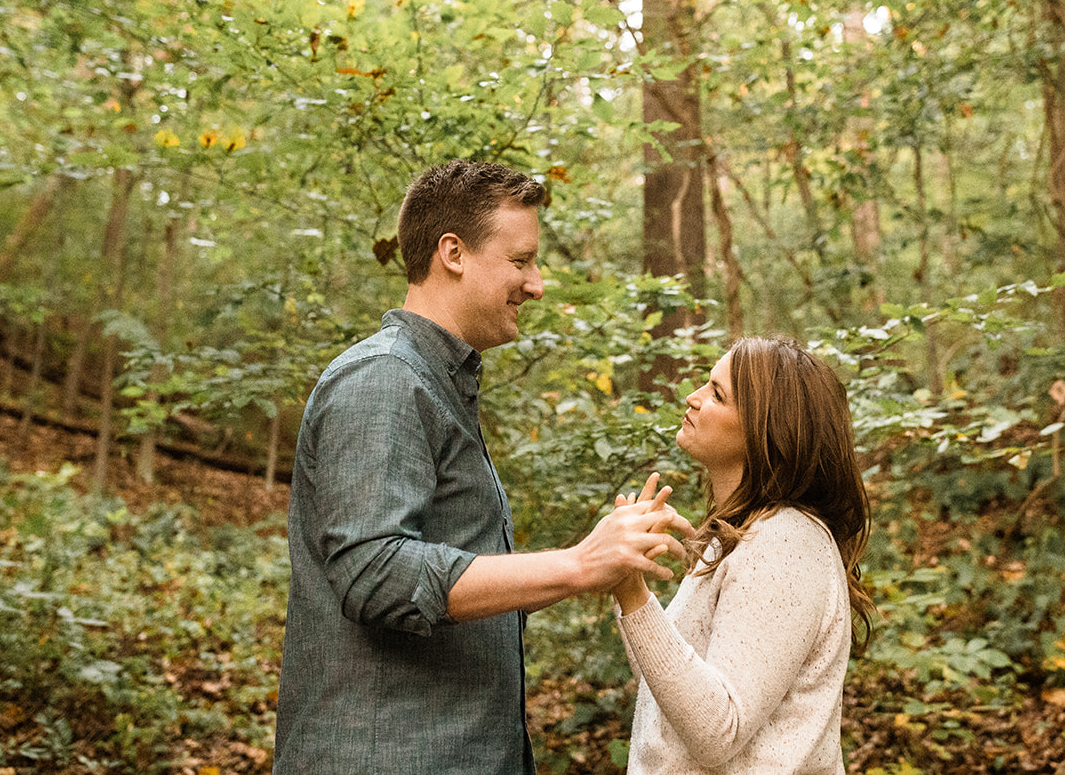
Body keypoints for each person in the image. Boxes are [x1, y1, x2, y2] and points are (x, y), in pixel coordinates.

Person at [275, 159, 691, 775]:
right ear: (454, 253)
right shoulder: (385, 378)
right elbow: (374, 573)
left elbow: (454, 583)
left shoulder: (436, 384)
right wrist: (577, 565)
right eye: (521, 261)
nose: (537, 284)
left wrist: (600, 561)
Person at [612, 336, 876, 775]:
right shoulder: (741, 536)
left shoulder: (785, 541)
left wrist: (632, 592)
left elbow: (718, 732)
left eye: (717, 394)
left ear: (766, 430)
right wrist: (631, 581)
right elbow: (664, 701)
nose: (693, 399)